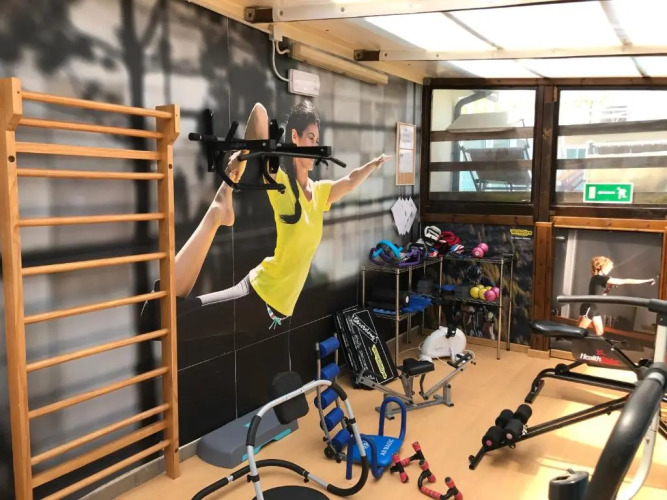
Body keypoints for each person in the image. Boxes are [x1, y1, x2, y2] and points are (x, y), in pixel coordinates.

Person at [158, 100, 391, 331]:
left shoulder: (320, 193)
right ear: (295, 137)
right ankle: (217, 209)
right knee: (165, 316)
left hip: (277, 311)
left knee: (171, 317)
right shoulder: (280, 182)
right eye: (310, 138)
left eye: (317, 140)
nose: (315, 146)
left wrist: (373, 164)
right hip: (260, 293)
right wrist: (242, 154)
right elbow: (259, 112)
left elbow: (350, 180)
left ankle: (218, 209)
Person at [578, 256, 655, 336]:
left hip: (595, 308)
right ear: (601, 267)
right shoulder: (599, 278)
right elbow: (624, 281)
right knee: (579, 331)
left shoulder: (599, 279)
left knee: (599, 332)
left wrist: (609, 287)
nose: (609, 269)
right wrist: (647, 281)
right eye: (608, 267)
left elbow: (602, 296)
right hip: (590, 307)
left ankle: (586, 342)